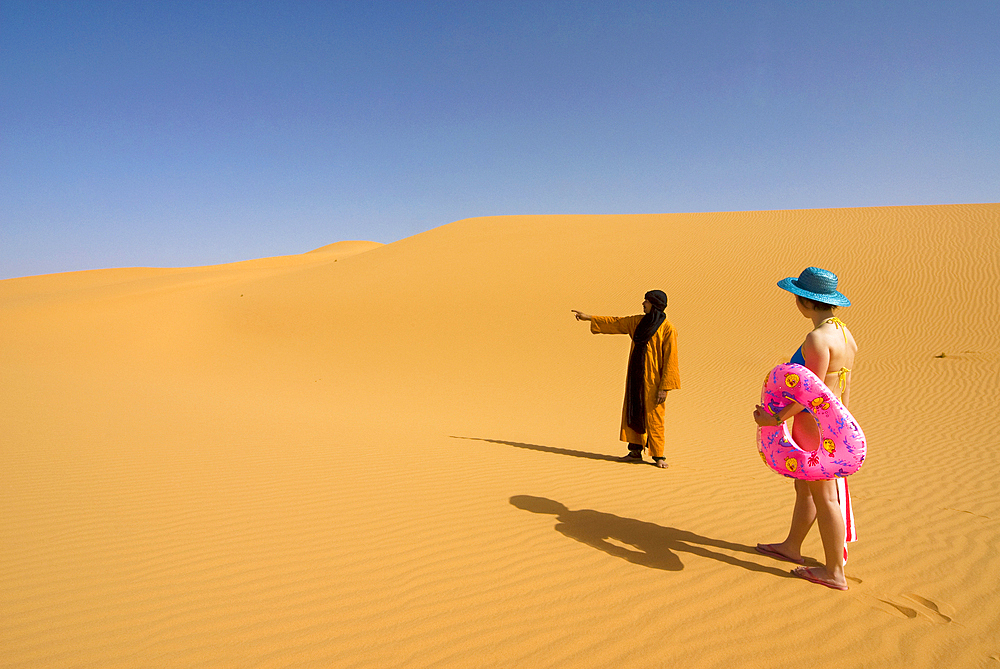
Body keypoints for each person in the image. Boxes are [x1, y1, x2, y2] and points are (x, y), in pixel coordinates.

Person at [752, 267, 858, 591]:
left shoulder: (817, 338)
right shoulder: (844, 333)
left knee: (825, 496)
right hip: (833, 421)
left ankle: (834, 572)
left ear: (806, 302)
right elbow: (843, 385)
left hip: (814, 425)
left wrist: (775, 419)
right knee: (805, 487)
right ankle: (792, 546)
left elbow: (809, 394)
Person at [572, 290, 680, 469]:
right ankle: (635, 450)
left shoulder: (668, 329)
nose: (643, 303)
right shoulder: (638, 322)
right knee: (633, 411)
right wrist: (588, 317)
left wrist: (665, 387)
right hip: (635, 377)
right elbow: (616, 322)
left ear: (654, 304)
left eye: (646, 301)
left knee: (654, 416)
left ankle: (658, 455)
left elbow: (671, 360)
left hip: (654, 382)